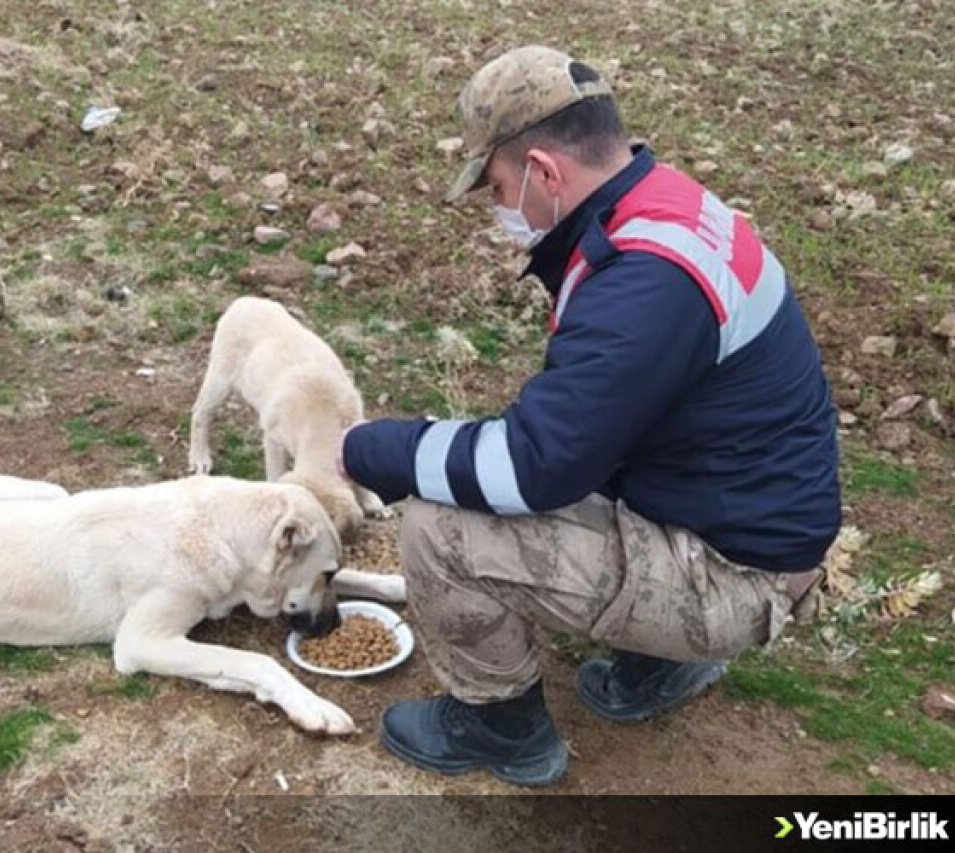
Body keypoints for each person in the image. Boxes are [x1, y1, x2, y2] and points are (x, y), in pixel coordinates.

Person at [339, 45, 840, 787]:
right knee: (543, 444)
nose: (499, 208)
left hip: (737, 574)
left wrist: (376, 447)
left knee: (438, 524)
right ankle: (660, 663)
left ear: (544, 171)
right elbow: (599, 422)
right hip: (748, 522)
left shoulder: (644, 282)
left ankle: (499, 724)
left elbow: (535, 466)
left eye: (499, 186)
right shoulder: (664, 206)